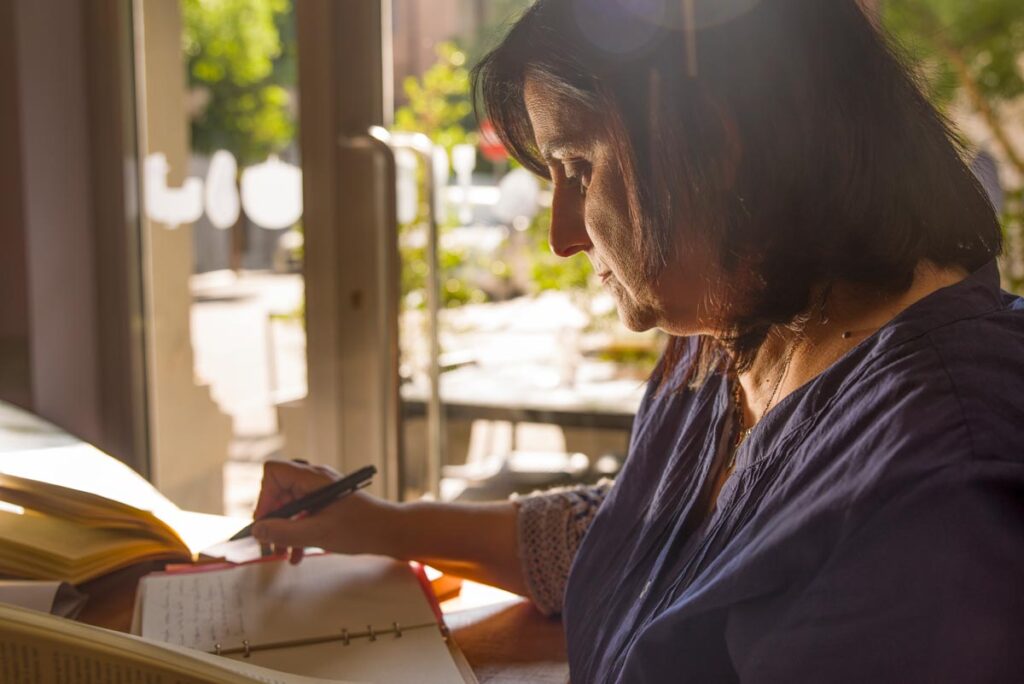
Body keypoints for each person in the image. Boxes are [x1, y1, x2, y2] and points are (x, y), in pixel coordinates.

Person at [252, 0, 1024, 681]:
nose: (561, 235)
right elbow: (643, 531)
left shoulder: (937, 494)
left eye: (576, 167)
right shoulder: (734, 328)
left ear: (717, 148)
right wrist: (375, 525)